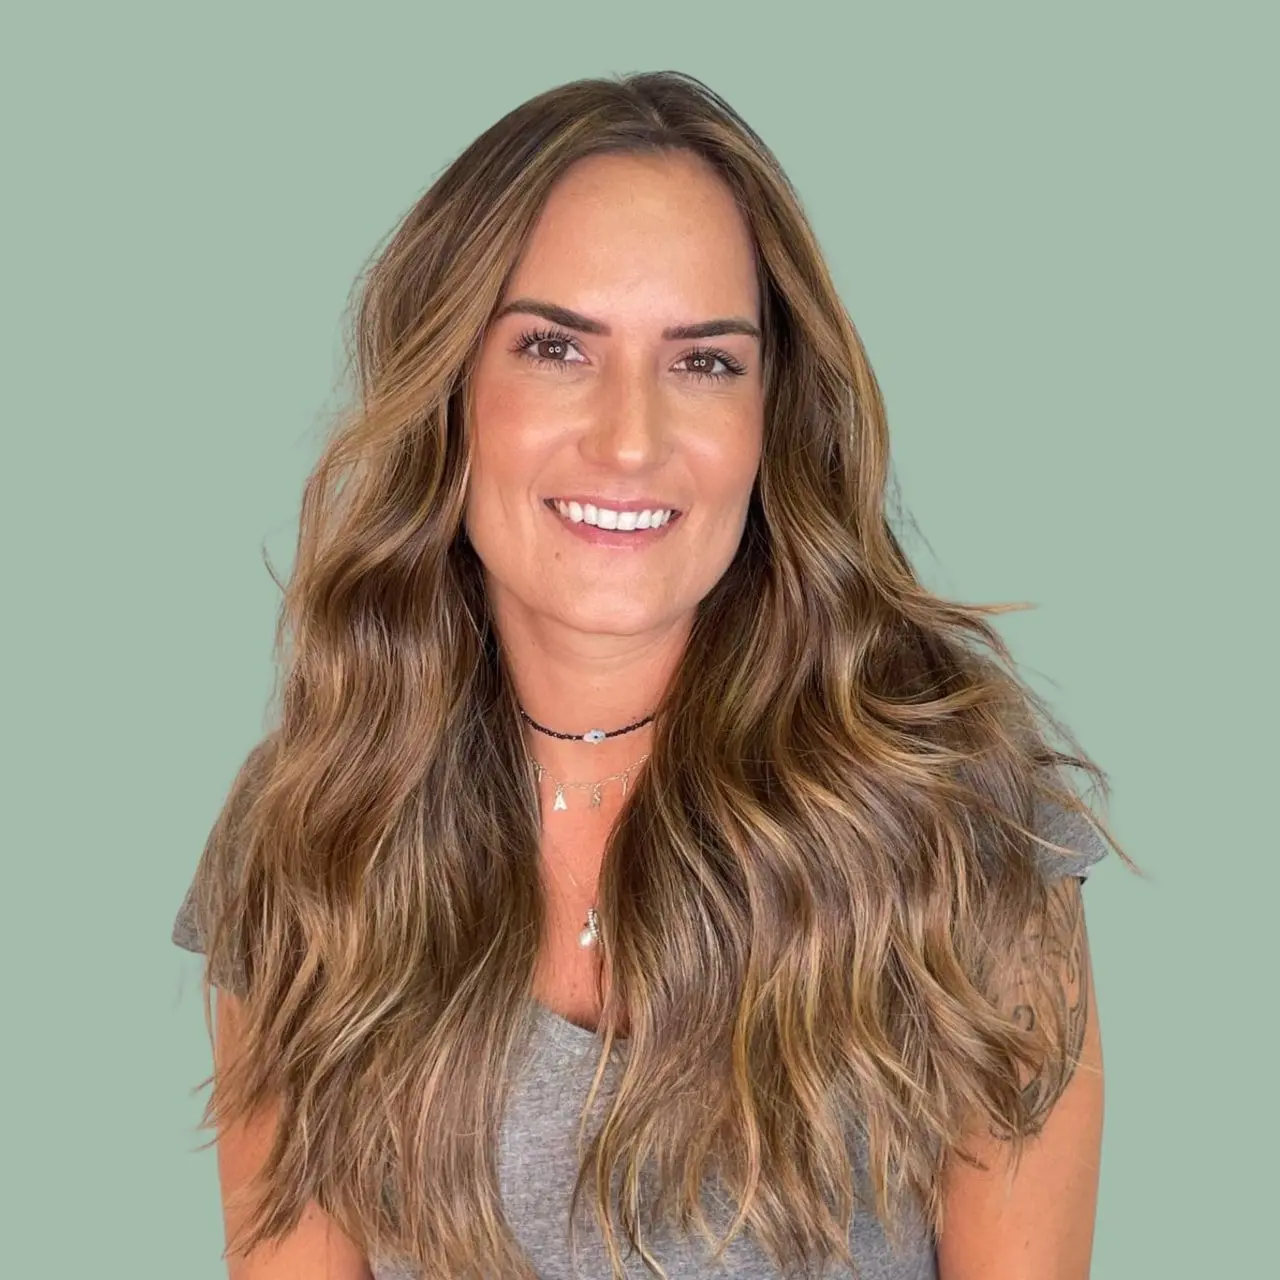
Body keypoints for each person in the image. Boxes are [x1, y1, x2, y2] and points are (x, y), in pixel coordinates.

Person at [172, 69, 1135, 1280]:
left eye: (704, 362)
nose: (629, 439)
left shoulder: (958, 811)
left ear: (770, 413)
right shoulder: (308, 837)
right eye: (554, 346)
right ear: (447, 388)